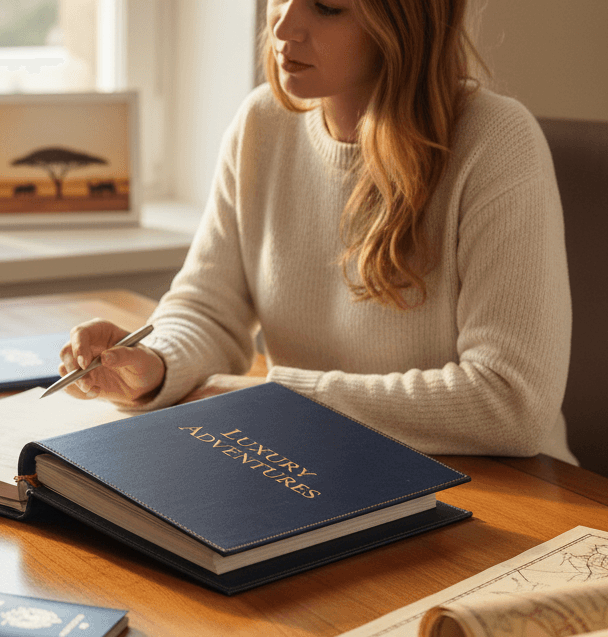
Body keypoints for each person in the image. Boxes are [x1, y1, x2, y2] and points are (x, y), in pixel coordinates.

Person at [61, 0, 577, 463]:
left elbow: (512, 402)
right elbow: (208, 309)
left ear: (406, 21)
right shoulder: (260, 123)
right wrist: (153, 364)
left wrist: (278, 401)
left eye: (327, 7)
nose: (283, 26)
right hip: (319, 465)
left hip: (508, 491)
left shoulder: (497, 142)